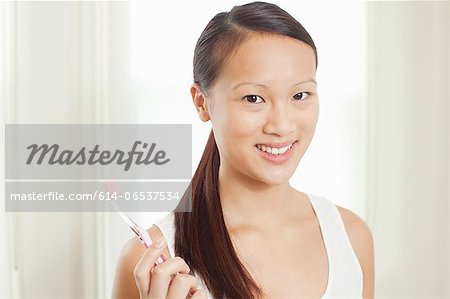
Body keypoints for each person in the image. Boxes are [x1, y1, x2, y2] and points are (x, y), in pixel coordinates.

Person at [112, 1, 374, 298]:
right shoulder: (154, 264)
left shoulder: (352, 239)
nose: (281, 125)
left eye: (300, 95)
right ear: (202, 102)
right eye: (253, 98)